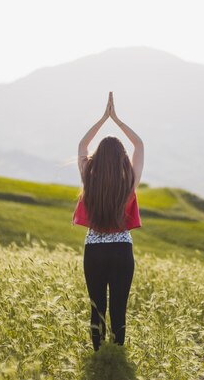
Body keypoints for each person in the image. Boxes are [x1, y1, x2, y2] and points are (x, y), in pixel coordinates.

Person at [72, 91, 144, 352]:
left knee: (97, 307)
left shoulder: (89, 180)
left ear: (98, 159)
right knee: (118, 309)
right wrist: (118, 120)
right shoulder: (129, 183)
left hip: (94, 250)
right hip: (122, 250)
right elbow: (140, 146)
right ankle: (118, 355)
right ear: (121, 159)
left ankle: (98, 354)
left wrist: (104, 118)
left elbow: (82, 146)